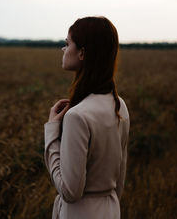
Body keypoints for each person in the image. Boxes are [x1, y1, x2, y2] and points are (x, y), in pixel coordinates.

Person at [44, 16, 130, 219]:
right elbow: (120, 177)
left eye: (67, 43)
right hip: (110, 209)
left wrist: (51, 132)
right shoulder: (119, 105)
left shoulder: (77, 116)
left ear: (82, 53)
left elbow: (70, 192)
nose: (63, 49)